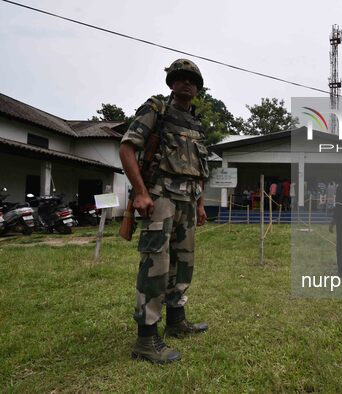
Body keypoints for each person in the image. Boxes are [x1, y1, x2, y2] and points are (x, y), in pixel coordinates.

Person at [119, 59, 210, 364]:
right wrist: (141, 193)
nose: (187, 83)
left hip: (186, 201)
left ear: (197, 88)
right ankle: (146, 340)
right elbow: (127, 147)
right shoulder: (156, 110)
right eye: (181, 78)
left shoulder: (197, 124)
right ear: (172, 82)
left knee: (183, 264)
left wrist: (199, 204)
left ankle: (176, 321)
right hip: (159, 198)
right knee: (155, 265)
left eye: (192, 80)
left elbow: (199, 169)